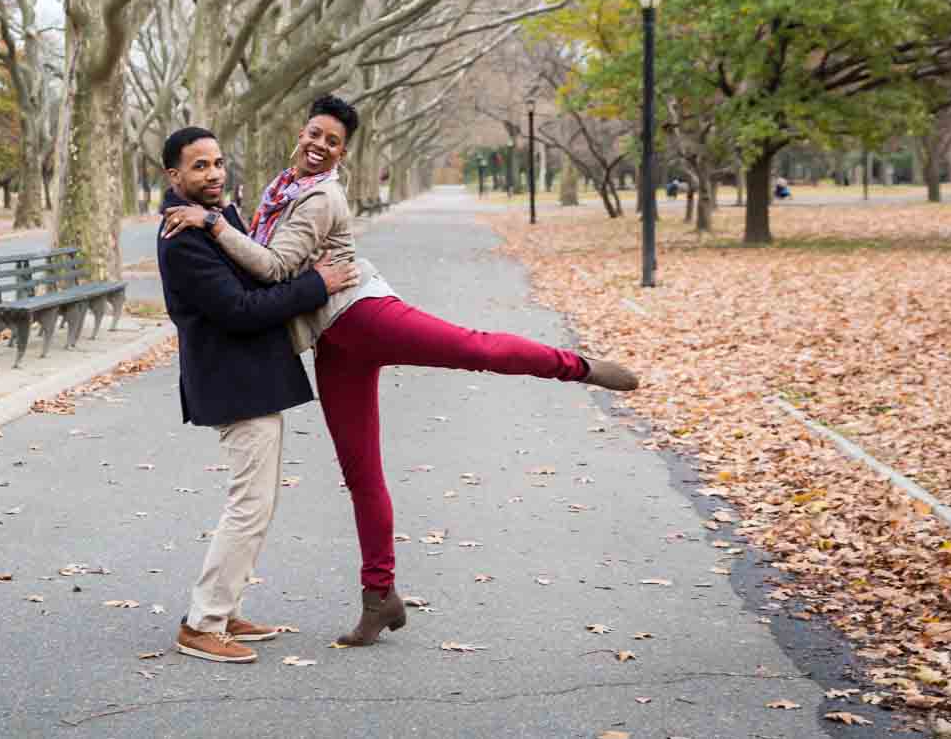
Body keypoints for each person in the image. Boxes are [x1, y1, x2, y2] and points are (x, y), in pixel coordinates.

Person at [162, 96, 640, 647]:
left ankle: (576, 367)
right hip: (331, 342)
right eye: (315, 133)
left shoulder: (320, 197)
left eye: (333, 142)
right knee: (361, 474)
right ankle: (380, 597)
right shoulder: (277, 190)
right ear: (302, 131)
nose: (319, 145)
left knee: (473, 348)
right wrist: (219, 223)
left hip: (364, 315)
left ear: (344, 153)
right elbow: (256, 261)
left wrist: (213, 224)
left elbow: (270, 267)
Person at [156, 125, 361, 664]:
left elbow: (258, 280)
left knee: (258, 503)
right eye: (199, 166)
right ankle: (202, 623)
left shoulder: (214, 221)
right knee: (249, 505)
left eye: (218, 162)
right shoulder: (183, 237)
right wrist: (319, 284)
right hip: (232, 382)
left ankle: (222, 610)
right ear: (173, 176)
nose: (214, 173)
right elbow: (242, 309)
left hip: (250, 379)